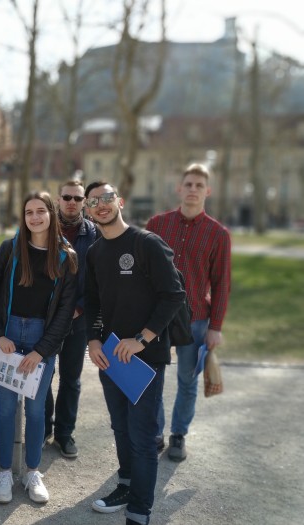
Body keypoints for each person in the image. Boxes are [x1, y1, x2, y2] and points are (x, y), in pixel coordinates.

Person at [83, 181, 185, 525]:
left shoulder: (147, 243)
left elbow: (174, 295)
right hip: (111, 357)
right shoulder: (95, 252)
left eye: (106, 198)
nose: (101, 205)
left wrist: (142, 339)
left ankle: (139, 510)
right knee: (121, 428)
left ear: (120, 201)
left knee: (142, 436)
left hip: (145, 358)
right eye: (93, 201)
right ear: (87, 211)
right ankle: (125, 485)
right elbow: (93, 301)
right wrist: (93, 340)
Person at [0, 191, 78, 505]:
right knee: (6, 409)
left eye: (40, 211)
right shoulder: (10, 249)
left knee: (36, 411)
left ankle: (32, 472)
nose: (34, 217)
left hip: (40, 339)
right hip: (7, 335)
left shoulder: (66, 257)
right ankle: (5, 472)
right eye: (28, 212)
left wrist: (42, 351)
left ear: (52, 214)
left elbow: (65, 312)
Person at [146, 163, 231, 461]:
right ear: (179, 189)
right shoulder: (157, 225)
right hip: (158, 318)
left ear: (208, 191)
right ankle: (155, 432)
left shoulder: (218, 234)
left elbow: (221, 283)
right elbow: (143, 271)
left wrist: (215, 326)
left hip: (195, 320)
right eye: (189, 184)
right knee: (152, 377)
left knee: (187, 380)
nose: (193, 189)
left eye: (199, 185)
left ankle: (178, 435)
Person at [44, 179, 98, 458]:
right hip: (47, 318)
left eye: (78, 198)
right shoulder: (44, 228)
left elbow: (99, 279)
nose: (72, 202)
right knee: (43, 374)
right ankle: (44, 428)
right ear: (58, 199)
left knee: (71, 379)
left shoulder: (94, 234)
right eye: (67, 197)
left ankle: (64, 433)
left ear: (84, 202)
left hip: (78, 318)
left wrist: (80, 307)